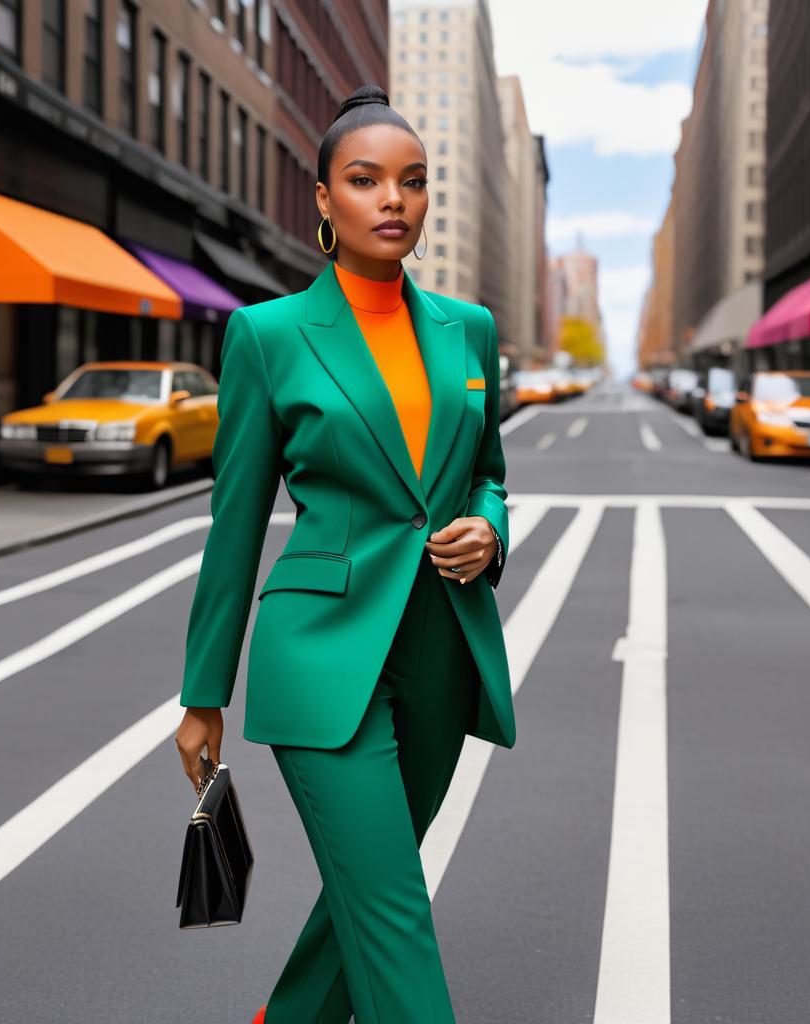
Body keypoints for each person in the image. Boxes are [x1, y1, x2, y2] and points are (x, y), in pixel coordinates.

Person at [175, 82, 516, 1024]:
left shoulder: (471, 331)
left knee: (367, 899)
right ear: (324, 199)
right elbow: (234, 527)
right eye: (365, 181)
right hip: (322, 657)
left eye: (411, 181)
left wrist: (489, 528)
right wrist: (204, 694)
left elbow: (489, 472)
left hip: (444, 651)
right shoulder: (267, 334)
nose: (392, 200)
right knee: (395, 911)